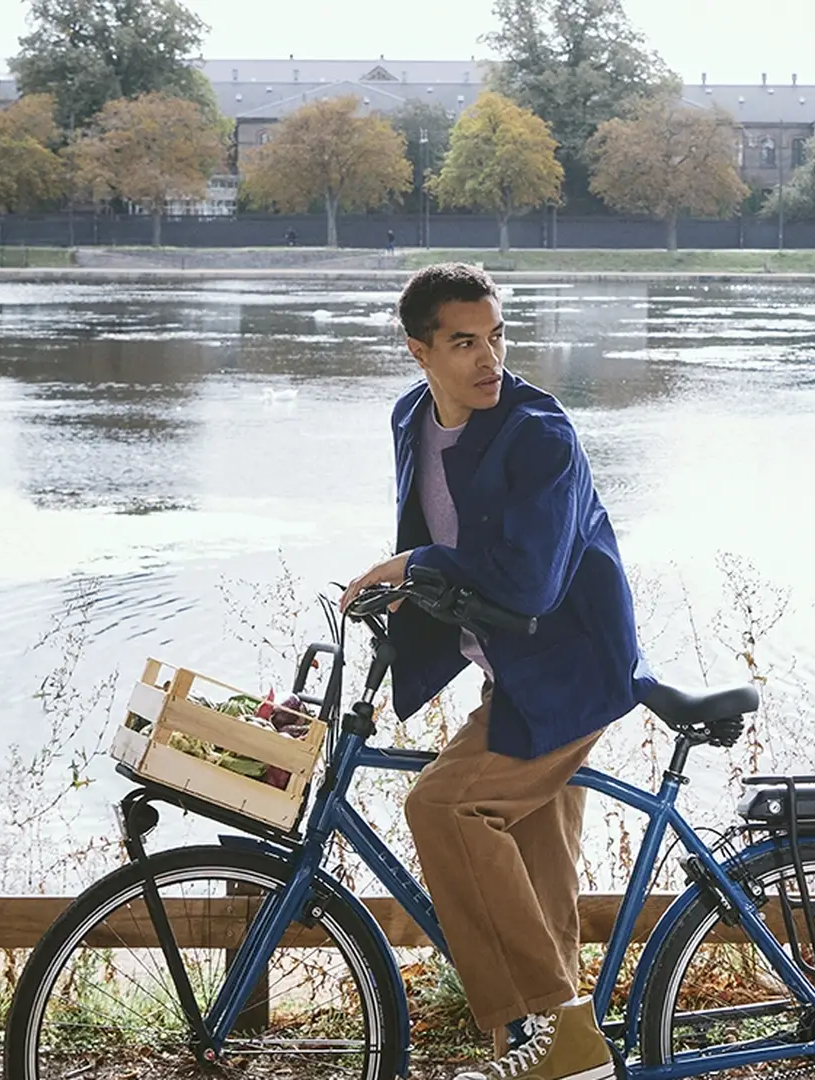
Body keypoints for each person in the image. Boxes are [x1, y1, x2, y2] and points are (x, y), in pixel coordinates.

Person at [341, 263, 652, 1080]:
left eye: (497, 336)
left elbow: (529, 580)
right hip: (509, 669)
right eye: (464, 342)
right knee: (541, 881)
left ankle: (552, 1033)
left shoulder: (540, 435)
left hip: (568, 673)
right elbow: (436, 528)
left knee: (444, 808)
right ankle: (562, 1061)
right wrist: (406, 599)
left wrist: (415, 561)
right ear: (420, 352)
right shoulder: (413, 417)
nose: (490, 359)